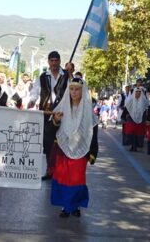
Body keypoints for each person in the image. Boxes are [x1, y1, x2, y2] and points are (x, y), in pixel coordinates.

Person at [50, 78, 98, 218]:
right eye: (71, 89)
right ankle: (66, 206)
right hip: (63, 148)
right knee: (63, 177)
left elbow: (93, 131)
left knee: (77, 179)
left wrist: (93, 152)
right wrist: (55, 121)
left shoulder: (88, 110)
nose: (74, 92)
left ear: (83, 91)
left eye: (77, 89)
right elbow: (50, 129)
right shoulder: (62, 106)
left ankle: (76, 205)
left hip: (81, 150)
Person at [27, 51, 71, 180]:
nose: (54, 63)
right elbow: (35, 90)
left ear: (59, 61)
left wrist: (70, 73)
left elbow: (73, 88)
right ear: (48, 62)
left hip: (62, 113)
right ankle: (49, 169)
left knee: (62, 140)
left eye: (56, 60)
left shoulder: (66, 76)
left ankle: (61, 169)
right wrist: (32, 100)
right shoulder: (42, 76)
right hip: (46, 113)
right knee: (48, 142)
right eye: (51, 60)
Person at [124, 87, 148, 151]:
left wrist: (146, 119)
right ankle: (132, 145)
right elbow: (126, 109)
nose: (138, 93)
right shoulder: (130, 100)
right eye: (136, 92)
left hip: (140, 119)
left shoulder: (144, 100)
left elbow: (146, 110)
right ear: (134, 93)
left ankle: (136, 146)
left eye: (139, 92)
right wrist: (125, 116)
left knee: (139, 133)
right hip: (131, 118)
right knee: (131, 132)